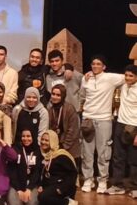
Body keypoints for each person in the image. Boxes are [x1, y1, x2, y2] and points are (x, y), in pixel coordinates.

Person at [80, 54, 124, 194]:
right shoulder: (86, 78)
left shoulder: (110, 78)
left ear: (104, 66)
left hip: (104, 119)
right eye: (93, 64)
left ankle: (103, 180)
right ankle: (88, 179)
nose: (95, 66)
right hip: (88, 118)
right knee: (87, 152)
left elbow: (129, 77)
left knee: (104, 152)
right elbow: (82, 96)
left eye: (98, 64)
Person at [38, 130, 80, 205]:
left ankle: (67, 203)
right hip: (50, 186)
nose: (43, 142)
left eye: (47, 140)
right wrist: (41, 185)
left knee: (43, 197)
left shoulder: (62, 156)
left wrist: (61, 189)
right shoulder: (44, 155)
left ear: (53, 141)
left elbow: (73, 174)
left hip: (62, 186)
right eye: (42, 139)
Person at [110, 64, 137, 197]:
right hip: (120, 123)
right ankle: (118, 185)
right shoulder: (124, 85)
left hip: (134, 126)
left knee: (134, 159)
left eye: (131, 76)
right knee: (118, 157)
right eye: (126, 75)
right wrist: (90, 74)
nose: (127, 78)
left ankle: (134, 187)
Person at [7, 129, 42, 205]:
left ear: (33, 137)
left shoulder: (38, 150)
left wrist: (29, 189)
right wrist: (18, 190)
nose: (26, 139)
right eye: (23, 136)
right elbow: (12, 171)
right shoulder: (15, 149)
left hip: (32, 185)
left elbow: (37, 172)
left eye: (28, 136)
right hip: (17, 185)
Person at [46, 84, 81, 162]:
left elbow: (73, 131)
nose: (55, 97)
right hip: (54, 148)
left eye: (58, 95)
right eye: (53, 94)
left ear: (63, 96)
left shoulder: (70, 109)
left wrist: (64, 147)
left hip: (69, 149)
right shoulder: (49, 110)